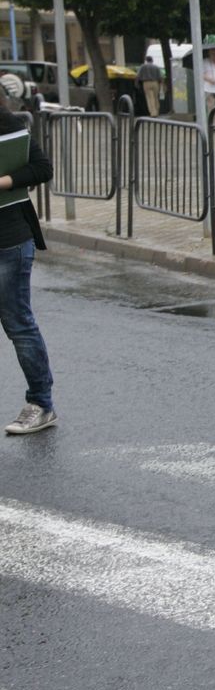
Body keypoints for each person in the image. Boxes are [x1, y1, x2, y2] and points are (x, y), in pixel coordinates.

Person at [0, 72, 56, 435]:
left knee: (18, 323)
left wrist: (4, 180)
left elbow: (42, 168)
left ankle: (41, 403)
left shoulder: (10, 127)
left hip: (9, 241)